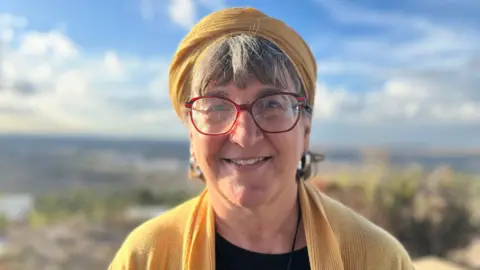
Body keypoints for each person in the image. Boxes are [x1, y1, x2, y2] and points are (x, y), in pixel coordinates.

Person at [109, 7, 414, 270]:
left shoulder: (376, 259)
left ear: (305, 128)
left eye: (271, 104)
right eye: (215, 106)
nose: (244, 135)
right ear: (192, 133)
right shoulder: (147, 257)